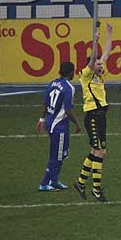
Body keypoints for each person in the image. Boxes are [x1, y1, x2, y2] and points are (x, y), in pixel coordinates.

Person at [75, 23, 113, 202]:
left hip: (100, 116)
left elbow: (107, 53)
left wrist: (109, 34)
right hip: (92, 116)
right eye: (97, 63)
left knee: (97, 150)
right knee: (99, 151)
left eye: (100, 64)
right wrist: (95, 41)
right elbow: (94, 59)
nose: (100, 64)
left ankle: (81, 182)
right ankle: (96, 189)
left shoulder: (99, 74)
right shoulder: (86, 74)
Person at [36, 61, 81, 191]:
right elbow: (68, 109)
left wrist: (42, 119)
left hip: (51, 123)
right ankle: (45, 183)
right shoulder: (69, 88)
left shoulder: (52, 83)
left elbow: (45, 102)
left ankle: (54, 180)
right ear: (71, 73)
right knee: (57, 155)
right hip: (59, 125)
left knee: (59, 154)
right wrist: (77, 124)